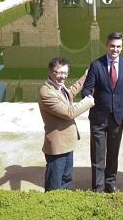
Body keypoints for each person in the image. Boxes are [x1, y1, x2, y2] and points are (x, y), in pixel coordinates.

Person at [82, 31, 123, 193]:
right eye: (112, 46)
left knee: (113, 153)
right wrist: (88, 97)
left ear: (122, 47)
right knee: (98, 154)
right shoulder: (96, 65)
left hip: (118, 117)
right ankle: (98, 186)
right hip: (98, 117)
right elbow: (86, 88)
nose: (115, 49)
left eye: (118, 46)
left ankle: (110, 182)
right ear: (106, 46)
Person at [38, 57, 95, 191]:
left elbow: (71, 92)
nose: (62, 76)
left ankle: (64, 204)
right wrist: (89, 101)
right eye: (59, 73)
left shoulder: (58, 87)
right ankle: (51, 208)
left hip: (67, 143)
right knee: (55, 184)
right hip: (57, 146)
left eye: (65, 73)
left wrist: (86, 76)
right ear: (50, 72)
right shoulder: (46, 93)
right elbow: (69, 113)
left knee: (66, 180)